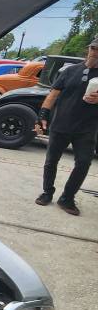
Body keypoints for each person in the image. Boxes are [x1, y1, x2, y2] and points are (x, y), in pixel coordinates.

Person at [34, 38, 98, 215]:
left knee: (83, 163)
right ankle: (47, 192)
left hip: (87, 128)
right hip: (61, 124)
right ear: (88, 49)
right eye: (94, 48)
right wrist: (42, 116)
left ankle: (67, 198)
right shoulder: (70, 71)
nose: (95, 52)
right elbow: (53, 95)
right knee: (51, 161)